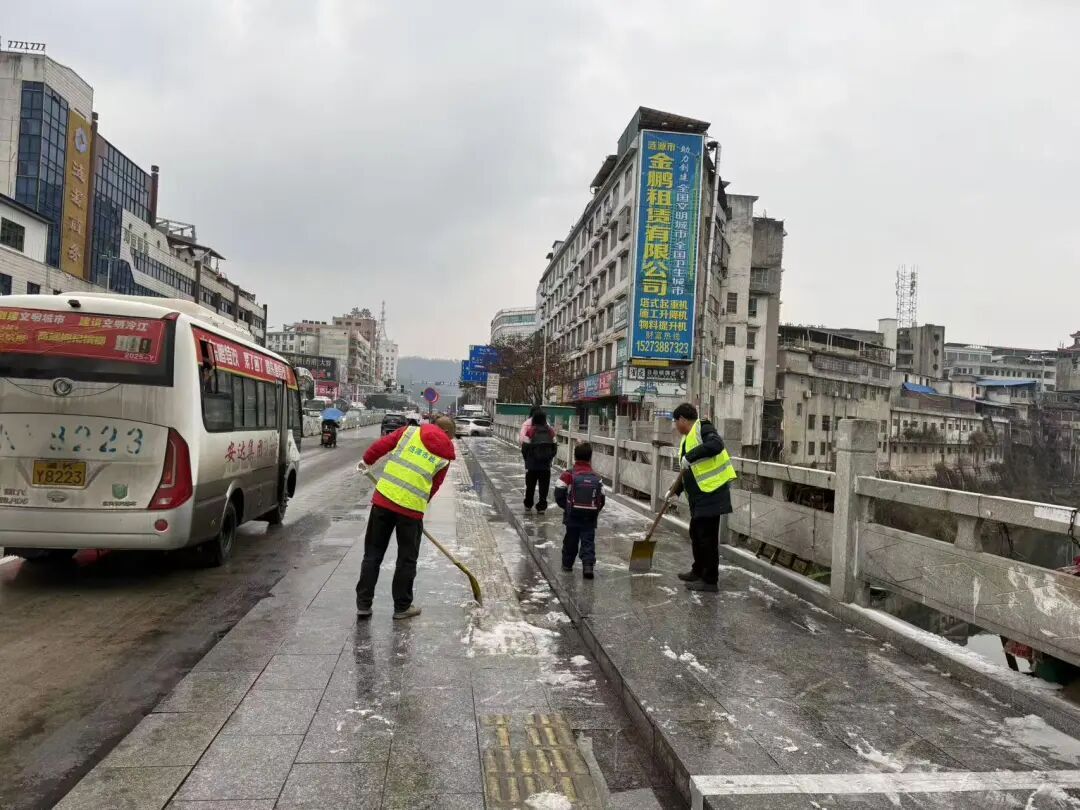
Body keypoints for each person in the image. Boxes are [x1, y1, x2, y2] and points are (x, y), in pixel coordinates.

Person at [354, 415, 457, 620]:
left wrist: (366, 461)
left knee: (373, 554)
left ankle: (363, 604)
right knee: (406, 560)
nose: (449, 441)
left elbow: (381, 446)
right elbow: (434, 487)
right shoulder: (445, 456)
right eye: (451, 437)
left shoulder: (409, 432)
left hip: (384, 500)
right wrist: (418, 506)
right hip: (411, 511)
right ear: (446, 433)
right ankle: (402, 607)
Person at [668, 402, 737, 592]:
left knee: (707, 538)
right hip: (700, 496)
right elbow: (689, 471)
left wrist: (690, 456)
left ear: (683, 419)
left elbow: (716, 445)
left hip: (712, 494)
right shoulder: (687, 438)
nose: (675, 426)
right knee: (696, 534)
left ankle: (710, 580)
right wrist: (674, 491)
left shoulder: (703, 427)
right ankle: (698, 571)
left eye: (676, 422)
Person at [554, 442, 605, 579]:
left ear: (575, 457)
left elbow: (558, 493)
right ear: (590, 458)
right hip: (589, 517)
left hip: (572, 516)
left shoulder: (568, 474)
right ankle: (588, 567)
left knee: (570, 540)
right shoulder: (597, 477)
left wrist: (567, 507)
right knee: (588, 541)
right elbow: (602, 499)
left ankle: (567, 564)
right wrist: (594, 511)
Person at [521, 409, 557, 511]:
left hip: (532, 465)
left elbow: (524, 448)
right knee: (544, 486)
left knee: (530, 486)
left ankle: (528, 504)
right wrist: (549, 458)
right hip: (545, 465)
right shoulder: (550, 431)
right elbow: (555, 447)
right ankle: (542, 506)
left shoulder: (530, 431)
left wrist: (527, 460)